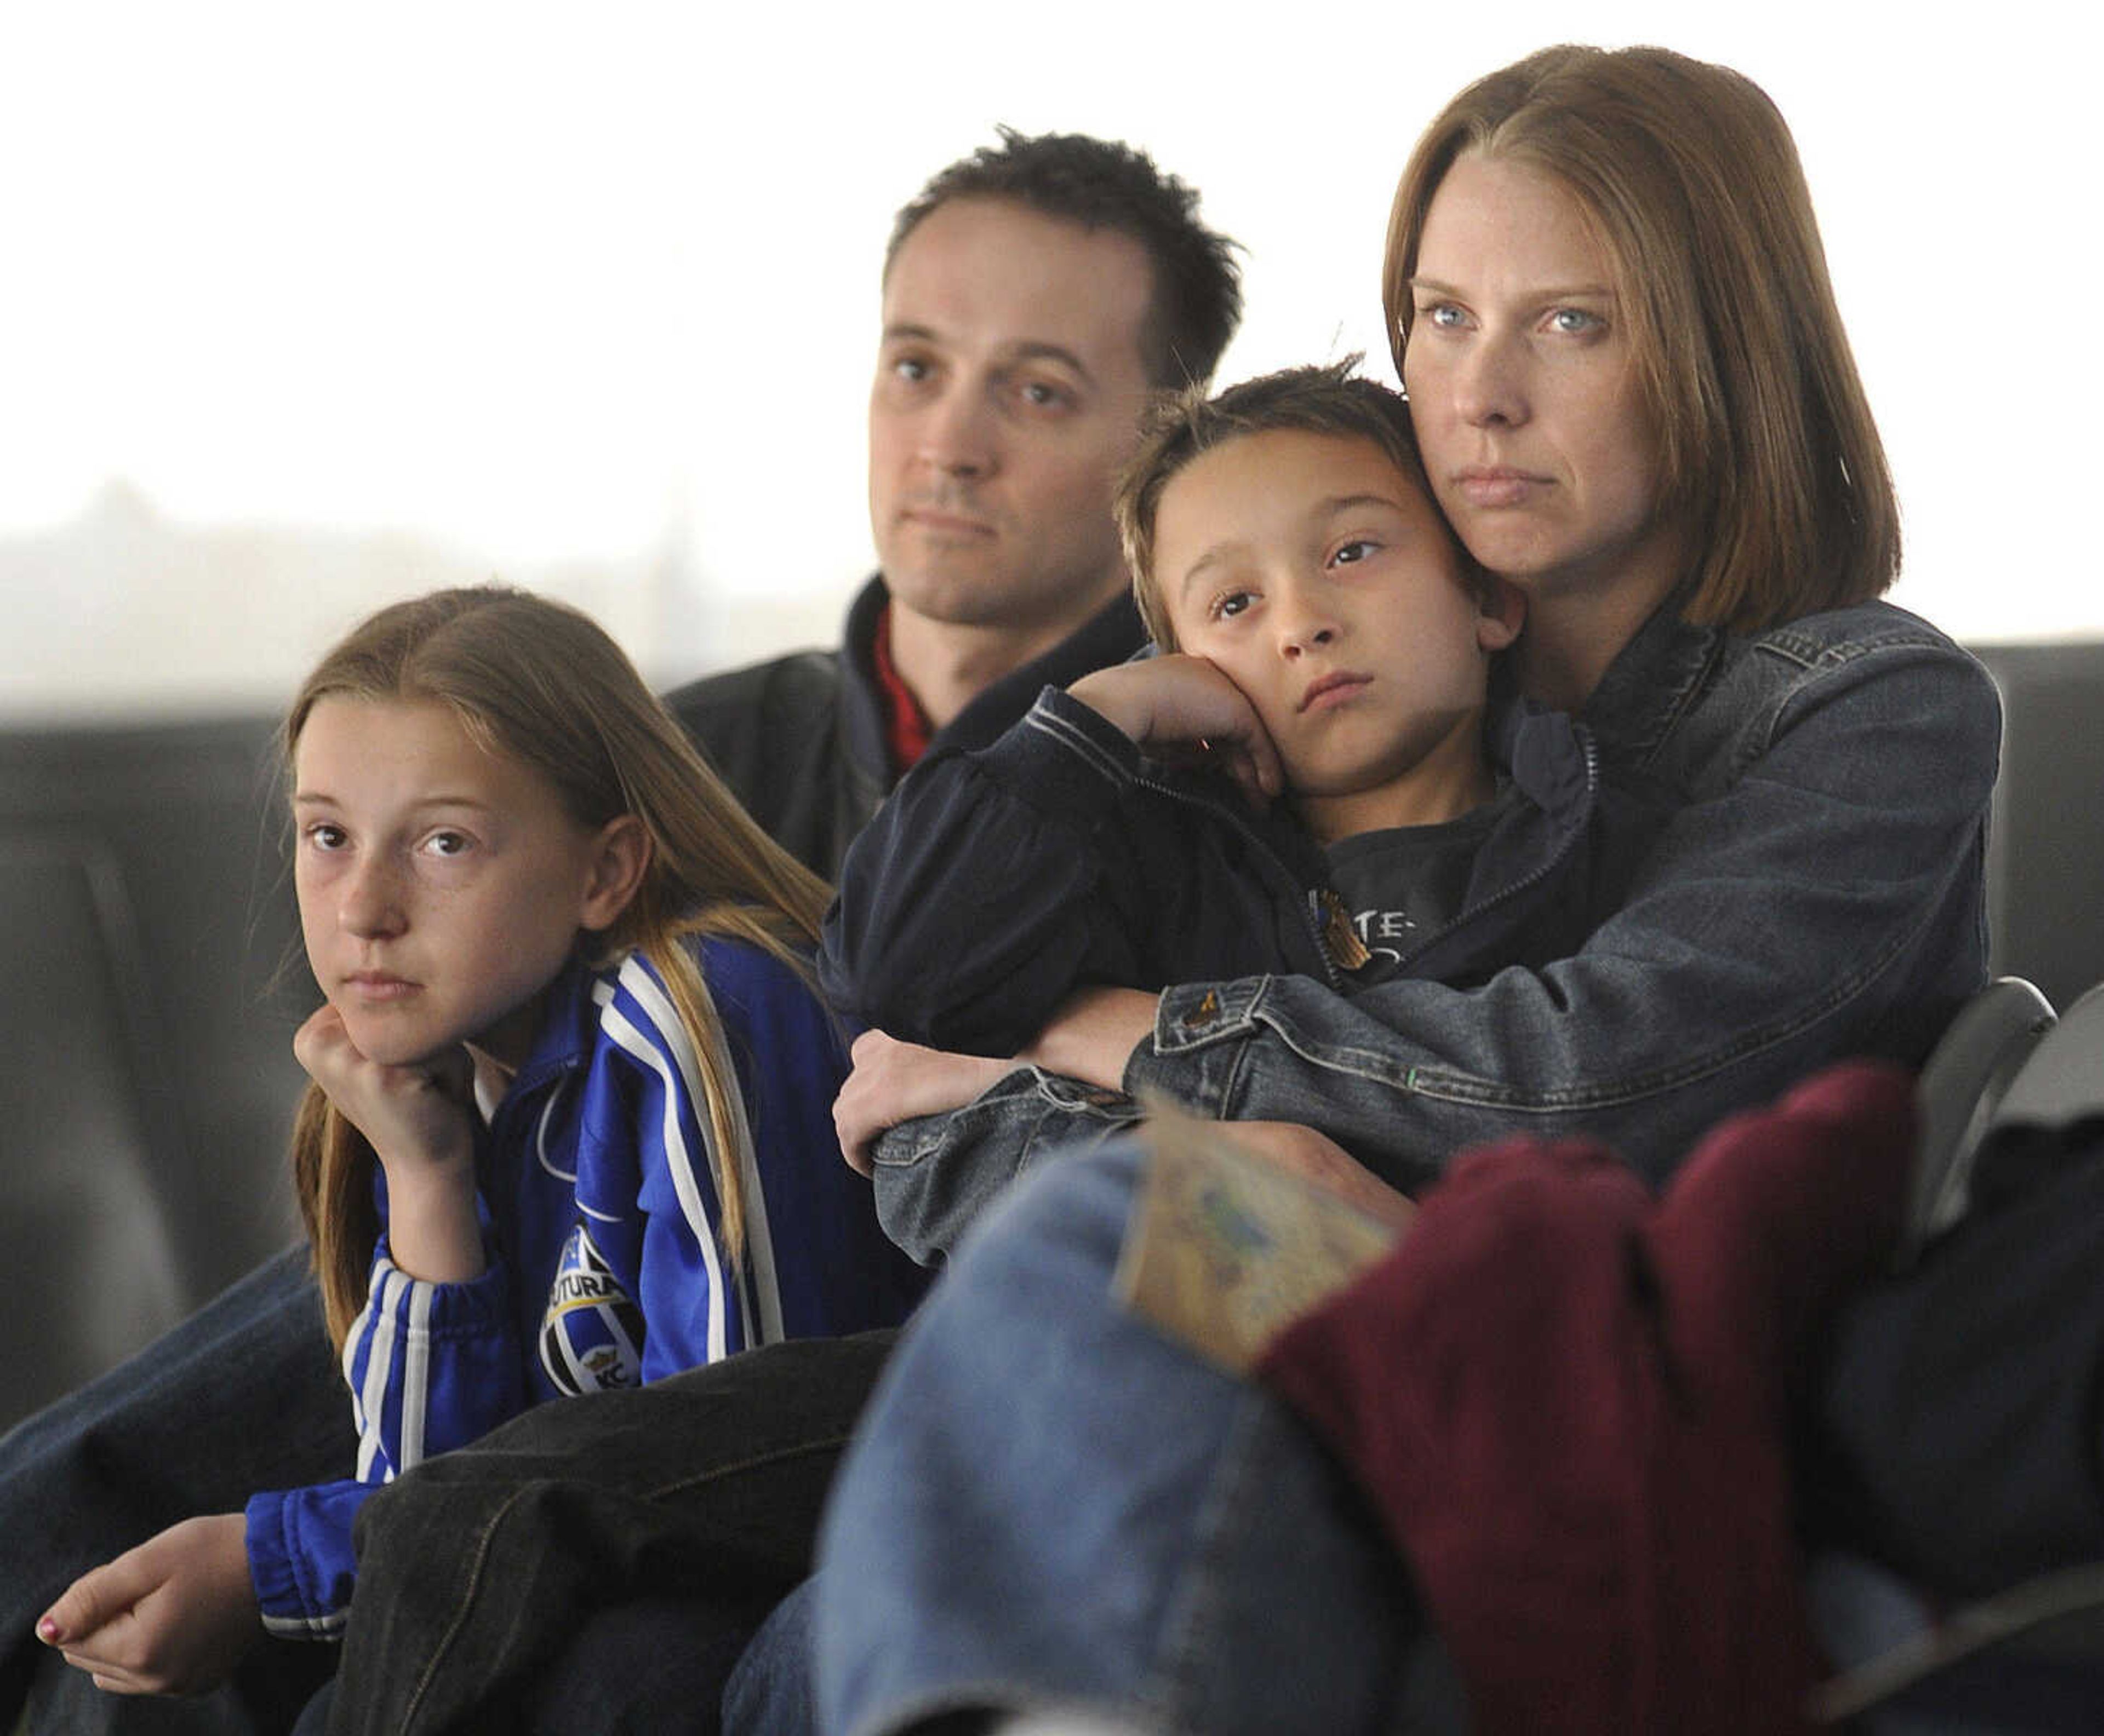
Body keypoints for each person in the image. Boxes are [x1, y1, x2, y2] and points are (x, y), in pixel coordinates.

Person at [803, 43, 2003, 1736]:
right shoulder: (1305, 689)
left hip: (1633, 1374)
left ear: (1726, 350)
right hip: (1319, 1335)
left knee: (1085, 1266)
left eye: (1572, 323)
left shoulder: (1867, 704)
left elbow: (1599, 1074)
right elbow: (896, 1075)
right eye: (1442, 317)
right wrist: (1243, 1157)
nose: (1481, 396)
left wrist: (1118, 1039)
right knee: (795, 1618)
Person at [0, 125, 1239, 1736]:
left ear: (1165, 445)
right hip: (540, 1306)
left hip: (863, 1378)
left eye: (1039, 389)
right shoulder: (700, 740)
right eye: (916, 366)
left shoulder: (1194, 776)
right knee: (283, 1362)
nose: (949, 439)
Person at [32, 586, 922, 1704]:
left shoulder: (699, 1009)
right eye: (327, 835)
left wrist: (273, 1563)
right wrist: (426, 1176)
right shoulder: (433, 1074)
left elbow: (709, 1476)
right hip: (622, 1561)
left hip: (782, 1589)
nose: (364, 907)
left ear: (605, 871)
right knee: (124, 1684)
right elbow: (424, 1513)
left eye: (444, 841)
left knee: (612, 1667)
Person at [820, 359, 1665, 1261]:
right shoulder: (1144, 862)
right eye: (1235, 603)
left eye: (1352, 552)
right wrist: (1105, 715)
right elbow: (902, 1005)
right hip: (1147, 1346)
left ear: (1488, 597)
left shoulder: (1603, 836)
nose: (1301, 622)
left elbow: (1627, 1105)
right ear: (1180, 664)